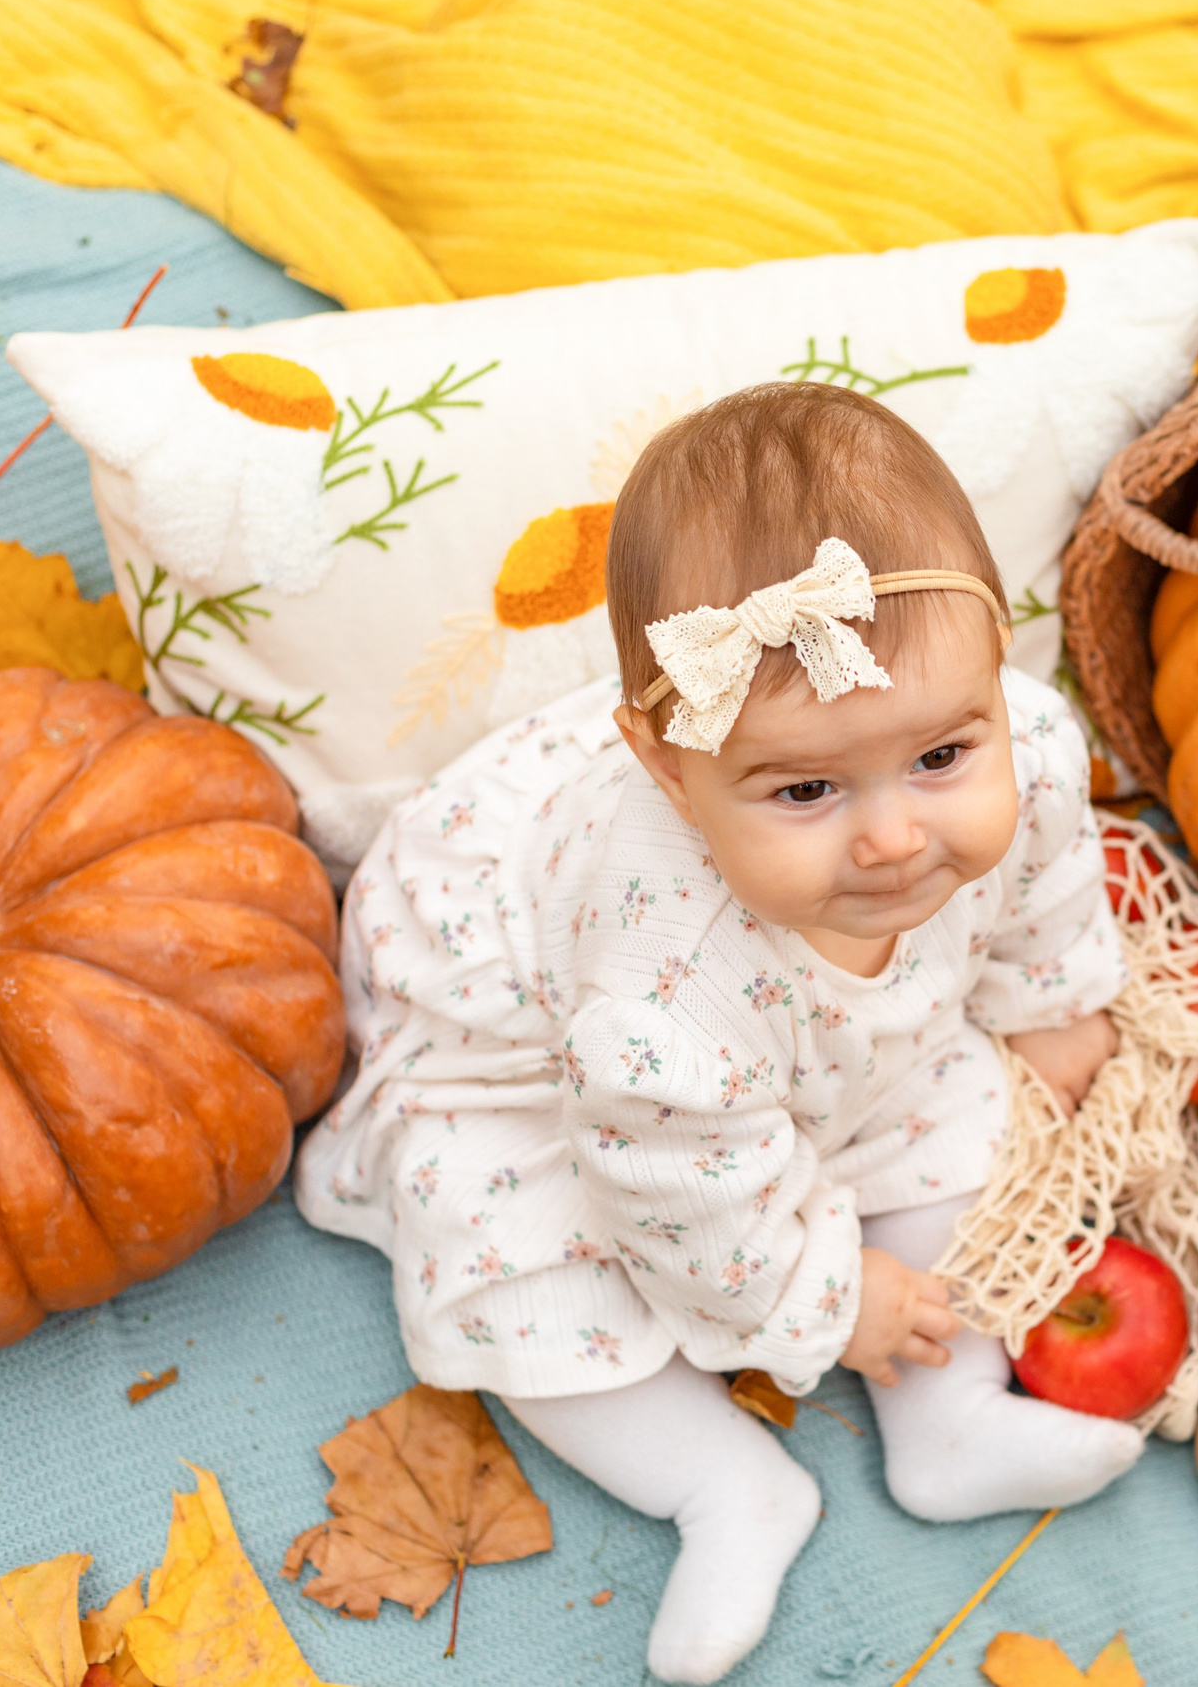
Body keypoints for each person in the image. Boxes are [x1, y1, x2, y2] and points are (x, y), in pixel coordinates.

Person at [297, 381, 1144, 1683]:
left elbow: (1043, 875)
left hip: (792, 1044)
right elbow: (677, 1199)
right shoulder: (652, 989)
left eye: (938, 757)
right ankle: (724, 1488)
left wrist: (1052, 1004)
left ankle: (949, 1419)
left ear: (990, 679)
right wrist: (830, 1298)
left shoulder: (1018, 744)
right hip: (549, 1063)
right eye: (805, 788)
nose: (894, 835)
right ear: (670, 771)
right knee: (527, 1289)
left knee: (967, 1120)